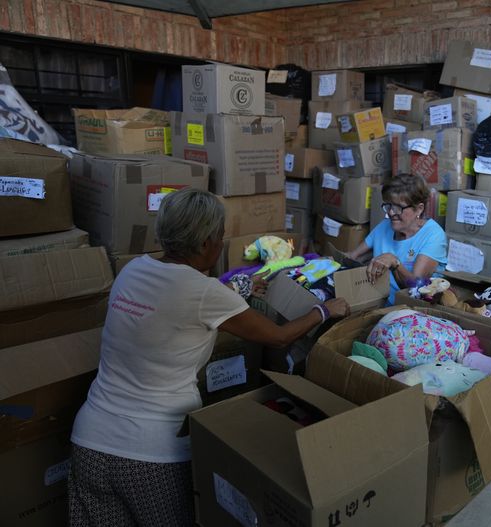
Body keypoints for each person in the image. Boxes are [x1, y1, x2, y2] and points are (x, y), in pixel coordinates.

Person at [68, 188, 350, 526]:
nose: (220, 244)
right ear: (204, 244)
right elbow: (277, 337)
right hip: (150, 452)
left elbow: (177, 301)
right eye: (219, 237)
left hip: (88, 439)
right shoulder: (205, 293)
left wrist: (237, 290)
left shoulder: (133, 270)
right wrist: (323, 310)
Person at [347, 173, 447, 305]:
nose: (391, 213)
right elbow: (352, 257)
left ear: (419, 209)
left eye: (398, 207)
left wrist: (395, 262)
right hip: (378, 302)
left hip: (413, 310)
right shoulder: (384, 226)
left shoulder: (433, 235)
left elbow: (416, 288)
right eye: (388, 206)